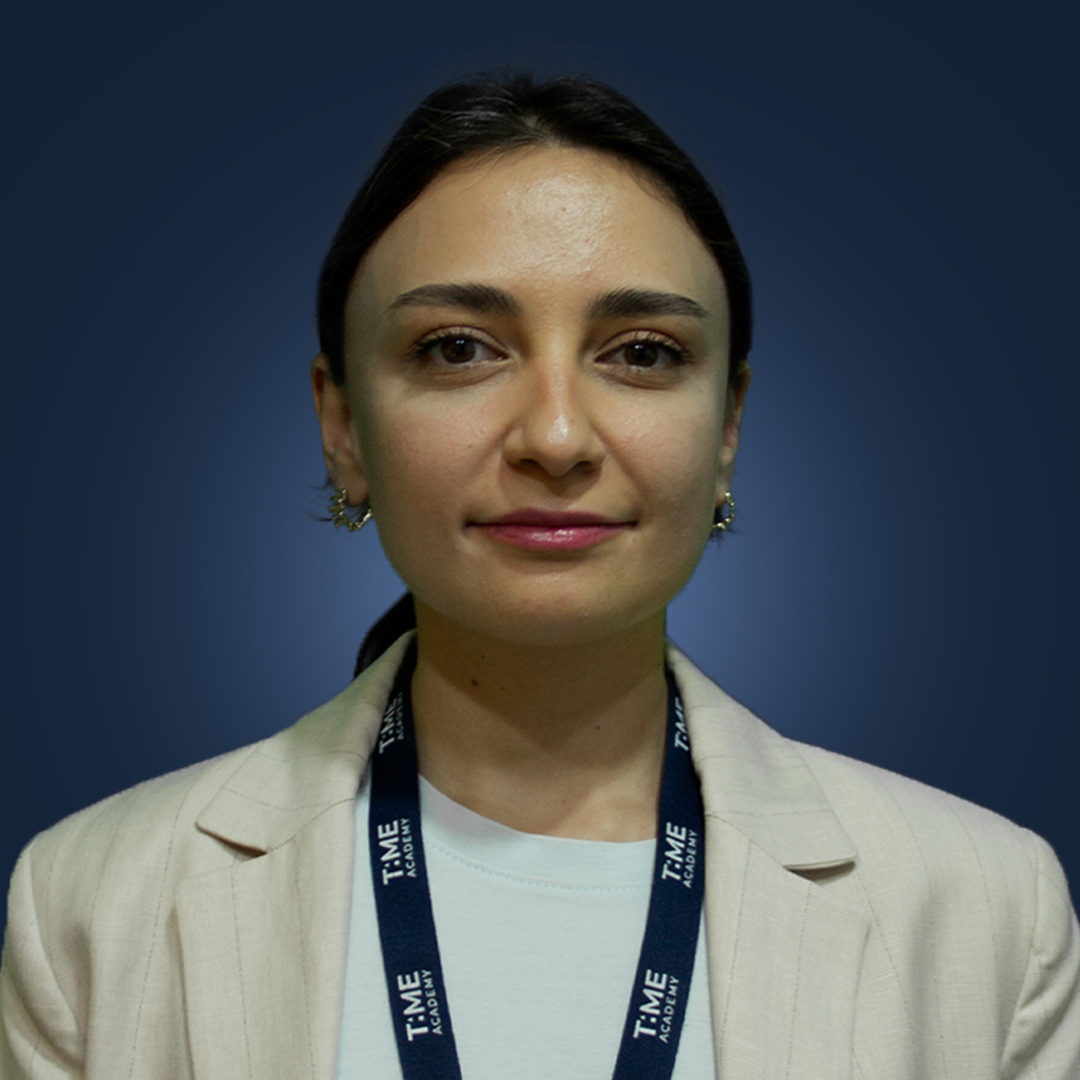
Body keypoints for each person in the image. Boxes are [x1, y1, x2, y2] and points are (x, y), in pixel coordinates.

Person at [1, 69, 1078, 1080]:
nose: (557, 438)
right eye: (458, 348)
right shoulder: (90, 903)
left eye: (643, 352)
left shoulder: (989, 909)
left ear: (728, 429)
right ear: (342, 428)